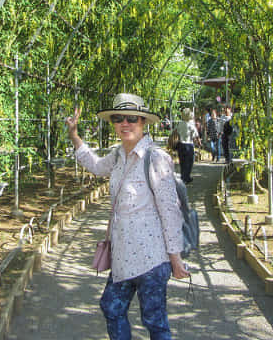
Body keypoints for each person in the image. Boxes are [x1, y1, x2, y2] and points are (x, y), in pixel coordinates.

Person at [65, 93, 189, 340]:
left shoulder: (156, 158)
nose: (125, 123)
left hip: (152, 259)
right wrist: (74, 135)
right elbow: (97, 166)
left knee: (154, 320)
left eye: (132, 118)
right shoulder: (118, 155)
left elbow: (170, 211)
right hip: (124, 255)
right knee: (111, 307)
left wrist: (175, 258)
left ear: (143, 122)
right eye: (118, 118)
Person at [175, 107, 200, 184]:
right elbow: (196, 135)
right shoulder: (190, 124)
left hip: (180, 145)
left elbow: (176, 132)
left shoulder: (179, 123)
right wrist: (199, 142)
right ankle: (186, 177)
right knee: (189, 162)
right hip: (189, 144)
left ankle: (183, 176)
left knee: (182, 161)